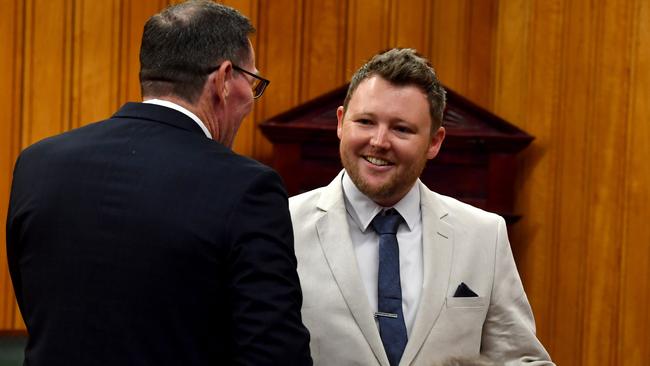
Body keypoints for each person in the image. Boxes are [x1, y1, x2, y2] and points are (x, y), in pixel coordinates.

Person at [6, 1, 311, 365]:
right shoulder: (247, 188)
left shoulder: (37, 163)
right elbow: (274, 354)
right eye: (252, 81)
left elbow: (39, 306)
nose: (252, 98)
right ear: (224, 79)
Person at [289, 48, 553, 365]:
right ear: (341, 122)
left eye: (402, 129)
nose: (379, 141)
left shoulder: (484, 234)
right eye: (366, 121)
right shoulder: (282, 225)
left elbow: (521, 359)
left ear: (434, 142)